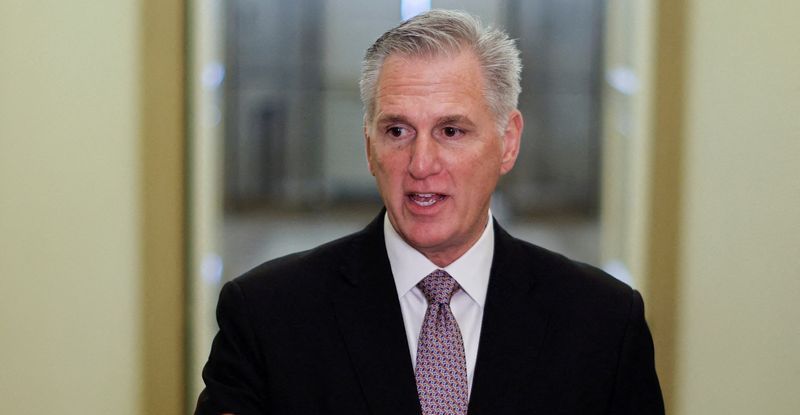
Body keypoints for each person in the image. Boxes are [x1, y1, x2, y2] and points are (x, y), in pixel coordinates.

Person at [195, 9, 664, 415]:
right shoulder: (266, 315)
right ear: (369, 147)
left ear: (508, 142)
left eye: (452, 131)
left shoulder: (603, 322)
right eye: (397, 131)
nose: (421, 164)